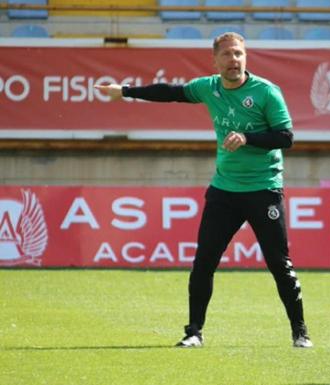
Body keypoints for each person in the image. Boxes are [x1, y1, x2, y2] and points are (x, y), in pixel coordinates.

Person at [96, 32, 313, 349]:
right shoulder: (208, 88)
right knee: (204, 262)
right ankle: (193, 332)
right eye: (226, 54)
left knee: (280, 264)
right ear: (215, 61)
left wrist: (247, 138)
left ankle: (300, 332)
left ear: (245, 57)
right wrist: (125, 91)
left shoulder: (266, 92)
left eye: (238, 53)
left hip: (263, 189)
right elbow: (170, 92)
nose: (233, 60)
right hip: (224, 190)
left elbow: (286, 137)